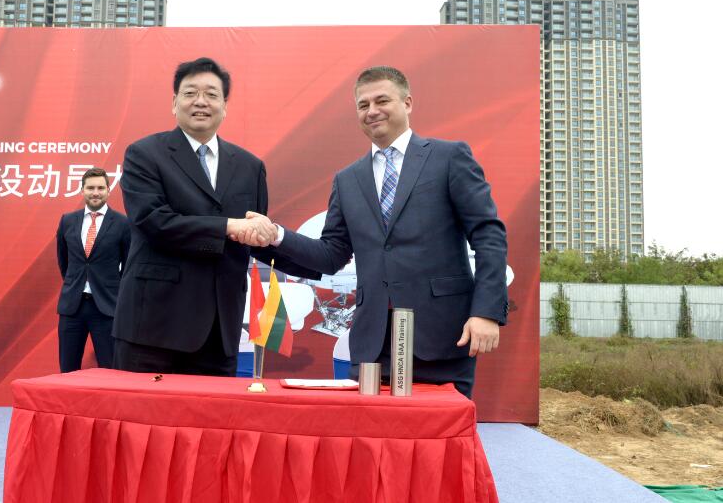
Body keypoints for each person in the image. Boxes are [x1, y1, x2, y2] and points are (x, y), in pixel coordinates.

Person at [246, 66, 508, 398]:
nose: (372, 111)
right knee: (374, 432)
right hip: (373, 345)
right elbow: (331, 255)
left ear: (407, 103)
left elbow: (488, 235)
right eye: (363, 105)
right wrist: (276, 235)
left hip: (443, 338)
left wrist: (485, 312)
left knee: (441, 430)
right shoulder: (348, 179)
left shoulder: (449, 158)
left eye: (382, 101)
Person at [112, 57, 318, 376]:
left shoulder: (250, 166)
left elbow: (254, 238)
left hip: (220, 329)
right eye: (190, 93)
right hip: (154, 326)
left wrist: (321, 261)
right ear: (174, 103)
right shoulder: (144, 154)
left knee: (211, 410)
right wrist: (228, 226)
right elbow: (153, 222)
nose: (201, 101)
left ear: (225, 106)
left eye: (211, 94)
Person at [56, 167, 131, 372]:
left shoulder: (123, 223)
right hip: (73, 307)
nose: (95, 192)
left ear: (108, 190)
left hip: (107, 307)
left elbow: (128, 266)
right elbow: (64, 261)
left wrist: (113, 290)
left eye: (100, 188)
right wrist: (76, 283)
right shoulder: (67, 221)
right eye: (90, 188)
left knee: (110, 369)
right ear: (82, 190)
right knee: (67, 369)